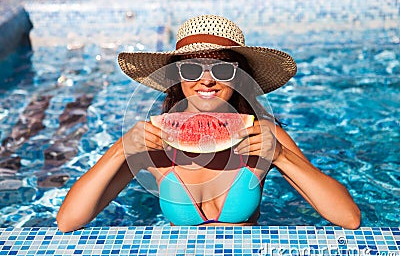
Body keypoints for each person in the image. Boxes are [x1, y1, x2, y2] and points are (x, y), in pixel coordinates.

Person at [57, 15, 361, 232]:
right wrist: (119, 150)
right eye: (191, 68)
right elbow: (68, 221)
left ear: (240, 76)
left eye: (222, 69)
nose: (207, 80)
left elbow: (348, 217)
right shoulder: (153, 140)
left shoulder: (262, 134)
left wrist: (281, 156)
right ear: (177, 75)